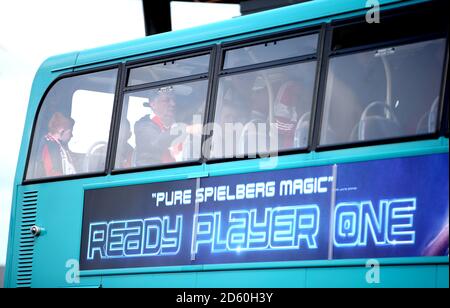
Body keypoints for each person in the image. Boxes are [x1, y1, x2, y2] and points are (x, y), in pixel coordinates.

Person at [134, 90, 201, 166]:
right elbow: (156, 142)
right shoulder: (143, 125)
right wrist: (186, 129)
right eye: (166, 100)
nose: (173, 104)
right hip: (153, 174)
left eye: (173, 100)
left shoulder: (177, 124)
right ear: (153, 104)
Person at [36, 112, 76, 177]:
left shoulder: (60, 146)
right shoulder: (50, 145)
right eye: (70, 132)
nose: (72, 135)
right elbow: (52, 173)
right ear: (62, 131)